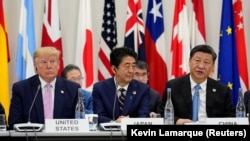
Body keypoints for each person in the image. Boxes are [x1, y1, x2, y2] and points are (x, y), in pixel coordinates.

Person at [158, 44, 235, 125]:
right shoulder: (173, 86)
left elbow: (230, 117)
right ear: (189, 62)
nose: (201, 66)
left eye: (206, 62)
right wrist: (177, 121)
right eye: (197, 60)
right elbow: (162, 113)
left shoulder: (222, 90)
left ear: (212, 67)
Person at [8, 47, 81, 130]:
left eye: (53, 61)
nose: (49, 66)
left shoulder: (73, 89)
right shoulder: (22, 89)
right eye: (43, 62)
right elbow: (14, 124)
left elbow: (79, 122)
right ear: (35, 66)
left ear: (58, 64)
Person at [92, 47, 151, 123]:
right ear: (114, 69)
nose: (131, 70)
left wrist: (128, 121)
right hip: (107, 133)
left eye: (133, 66)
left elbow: (144, 116)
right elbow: (98, 116)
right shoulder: (100, 88)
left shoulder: (143, 89)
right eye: (127, 66)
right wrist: (114, 123)